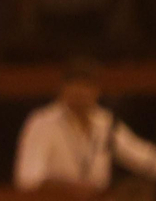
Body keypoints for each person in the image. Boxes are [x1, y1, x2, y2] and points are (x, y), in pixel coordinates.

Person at [15, 59, 156, 193]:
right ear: (62, 88)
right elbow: (28, 179)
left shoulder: (105, 122)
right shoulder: (42, 122)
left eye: (86, 85)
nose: (80, 91)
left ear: (97, 90)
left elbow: (143, 158)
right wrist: (72, 189)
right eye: (74, 84)